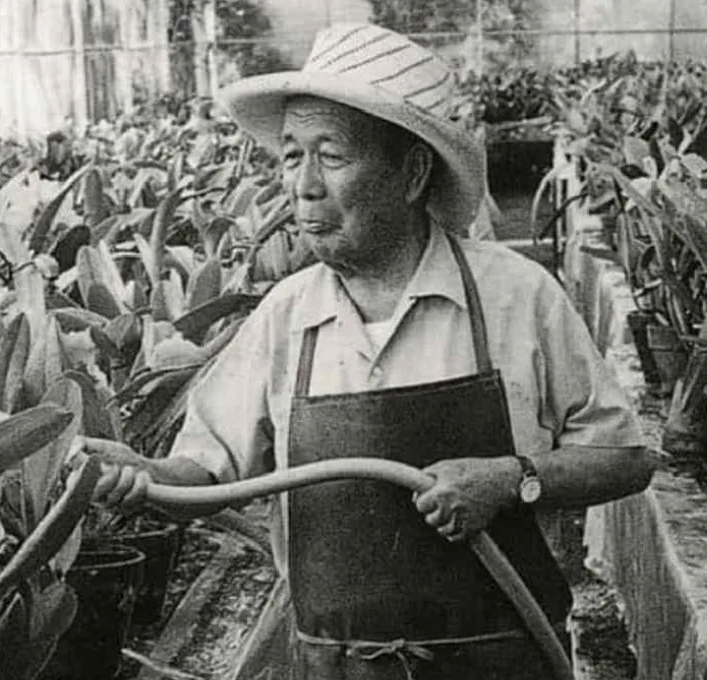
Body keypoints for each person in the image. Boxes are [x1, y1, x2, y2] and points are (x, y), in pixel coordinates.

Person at [83, 23, 654, 680]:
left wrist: (510, 478)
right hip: (334, 666)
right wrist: (143, 477)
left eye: (331, 155)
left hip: (506, 657)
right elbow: (208, 475)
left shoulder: (516, 296)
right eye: (292, 155)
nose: (303, 186)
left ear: (411, 173)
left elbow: (625, 460)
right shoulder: (286, 316)